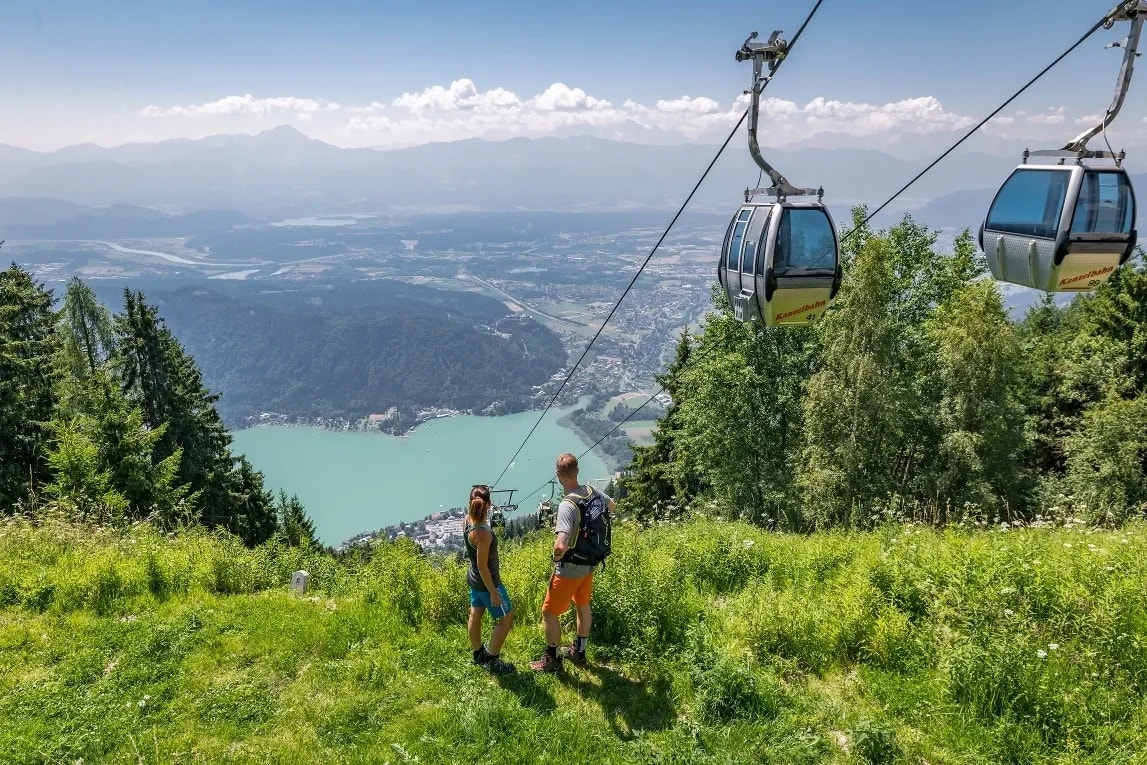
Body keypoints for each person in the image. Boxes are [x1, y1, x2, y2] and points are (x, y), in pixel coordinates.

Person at [530, 453, 615, 673]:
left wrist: (556, 557)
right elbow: (612, 505)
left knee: (549, 612)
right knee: (583, 605)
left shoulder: (567, 505)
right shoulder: (591, 491)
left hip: (571, 567)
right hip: (591, 562)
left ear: (559, 475)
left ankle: (553, 660)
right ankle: (579, 652)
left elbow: (561, 544)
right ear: (577, 471)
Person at [464, 484, 515, 674]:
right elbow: (483, 566)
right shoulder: (483, 534)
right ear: (488, 505)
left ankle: (478, 654)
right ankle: (492, 661)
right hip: (488, 582)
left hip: (474, 580)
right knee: (506, 617)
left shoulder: (466, 521)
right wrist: (494, 592)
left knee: (475, 615)